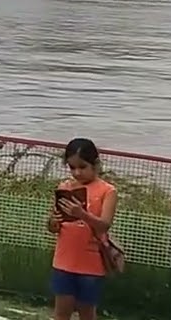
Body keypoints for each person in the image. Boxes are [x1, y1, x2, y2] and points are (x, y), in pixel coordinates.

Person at [46, 137, 118, 320]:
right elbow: (53, 226)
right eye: (72, 168)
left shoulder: (107, 191)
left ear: (95, 165)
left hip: (91, 264)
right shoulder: (65, 187)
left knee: (87, 313)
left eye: (82, 167)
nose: (77, 173)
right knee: (61, 312)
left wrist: (82, 214)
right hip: (64, 260)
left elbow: (104, 224)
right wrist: (53, 222)